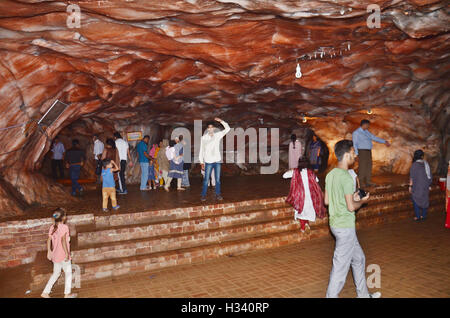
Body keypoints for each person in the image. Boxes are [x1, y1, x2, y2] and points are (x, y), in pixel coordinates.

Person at [324, 139, 380, 298]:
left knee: (359, 259)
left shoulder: (331, 175)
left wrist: (353, 197)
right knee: (340, 268)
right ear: (347, 155)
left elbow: (327, 201)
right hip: (345, 226)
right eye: (354, 153)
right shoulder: (347, 178)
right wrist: (361, 201)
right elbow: (351, 207)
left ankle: (363, 295)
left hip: (335, 224)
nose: (355, 156)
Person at [41, 208, 77, 298]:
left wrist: (49, 251)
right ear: (63, 217)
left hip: (55, 255)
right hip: (63, 255)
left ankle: (45, 292)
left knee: (56, 273)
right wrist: (67, 254)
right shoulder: (64, 227)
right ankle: (67, 294)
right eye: (65, 215)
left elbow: (49, 239)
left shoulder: (52, 227)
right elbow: (63, 241)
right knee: (68, 273)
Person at [284, 157, 326, 234]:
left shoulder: (296, 172)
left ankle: (304, 226)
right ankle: (306, 225)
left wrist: (292, 171)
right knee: (307, 212)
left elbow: (284, 176)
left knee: (301, 212)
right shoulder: (310, 172)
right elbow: (317, 180)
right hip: (309, 196)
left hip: (300, 196)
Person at [199, 118, 231, 202]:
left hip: (217, 161)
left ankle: (218, 194)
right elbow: (201, 150)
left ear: (214, 128)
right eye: (208, 127)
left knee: (217, 180)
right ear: (207, 129)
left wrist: (221, 121)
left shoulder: (218, 135)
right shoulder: (203, 138)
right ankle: (203, 195)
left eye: (211, 127)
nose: (210, 129)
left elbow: (228, 129)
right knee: (206, 180)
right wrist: (201, 162)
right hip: (208, 161)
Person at [352, 119, 391, 188]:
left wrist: (384, 141)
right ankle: (360, 182)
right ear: (364, 124)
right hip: (361, 151)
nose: (368, 126)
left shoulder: (367, 132)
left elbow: (374, 138)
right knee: (362, 167)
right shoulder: (356, 132)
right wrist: (356, 154)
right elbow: (355, 144)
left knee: (369, 166)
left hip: (368, 151)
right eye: (368, 125)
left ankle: (368, 181)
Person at [409, 150, 432, 221]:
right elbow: (430, 175)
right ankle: (424, 215)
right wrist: (429, 184)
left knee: (415, 198)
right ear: (422, 156)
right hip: (425, 185)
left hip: (418, 185)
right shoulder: (426, 163)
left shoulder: (414, 165)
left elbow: (412, 177)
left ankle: (418, 216)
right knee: (425, 199)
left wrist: (410, 186)